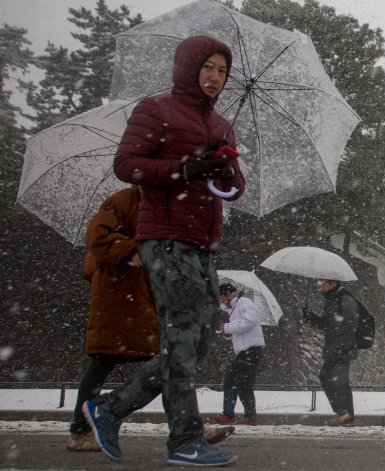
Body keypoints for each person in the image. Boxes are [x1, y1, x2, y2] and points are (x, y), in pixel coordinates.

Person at [83, 35, 245, 467]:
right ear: (189, 67)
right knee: (180, 340)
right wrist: (183, 170)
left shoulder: (221, 125)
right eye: (208, 67)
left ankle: (111, 408)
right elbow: (126, 164)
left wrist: (225, 169)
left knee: (196, 340)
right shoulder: (156, 110)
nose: (215, 77)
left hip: (202, 243)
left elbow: (235, 190)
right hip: (165, 238)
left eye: (222, 71)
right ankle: (185, 441)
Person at [69, 186, 233, 452]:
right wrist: (132, 249)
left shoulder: (169, 204)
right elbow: (97, 237)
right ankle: (81, 429)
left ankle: (187, 427)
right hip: (120, 297)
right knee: (105, 361)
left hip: (151, 297)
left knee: (172, 362)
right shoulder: (125, 199)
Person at [302, 279, 359, 426]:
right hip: (336, 348)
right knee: (338, 381)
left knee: (330, 378)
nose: (322, 285)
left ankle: (344, 413)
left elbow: (350, 324)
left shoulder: (344, 299)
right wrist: (311, 317)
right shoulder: (332, 300)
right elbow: (327, 325)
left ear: (333, 284)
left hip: (341, 349)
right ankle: (346, 416)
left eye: (325, 283)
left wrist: (341, 346)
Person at [208, 283, 265, 426]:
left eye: (221, 297)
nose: (221, 301)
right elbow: (241, 330)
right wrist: (227, 334)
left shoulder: (243, 302)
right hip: (250, 350)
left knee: (230, 380)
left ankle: (228, 415)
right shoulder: (234, 308)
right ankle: (250, 418)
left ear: (228, 294)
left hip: (250, 350)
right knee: (245, 384)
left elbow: (249, 322)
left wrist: (227, 327)